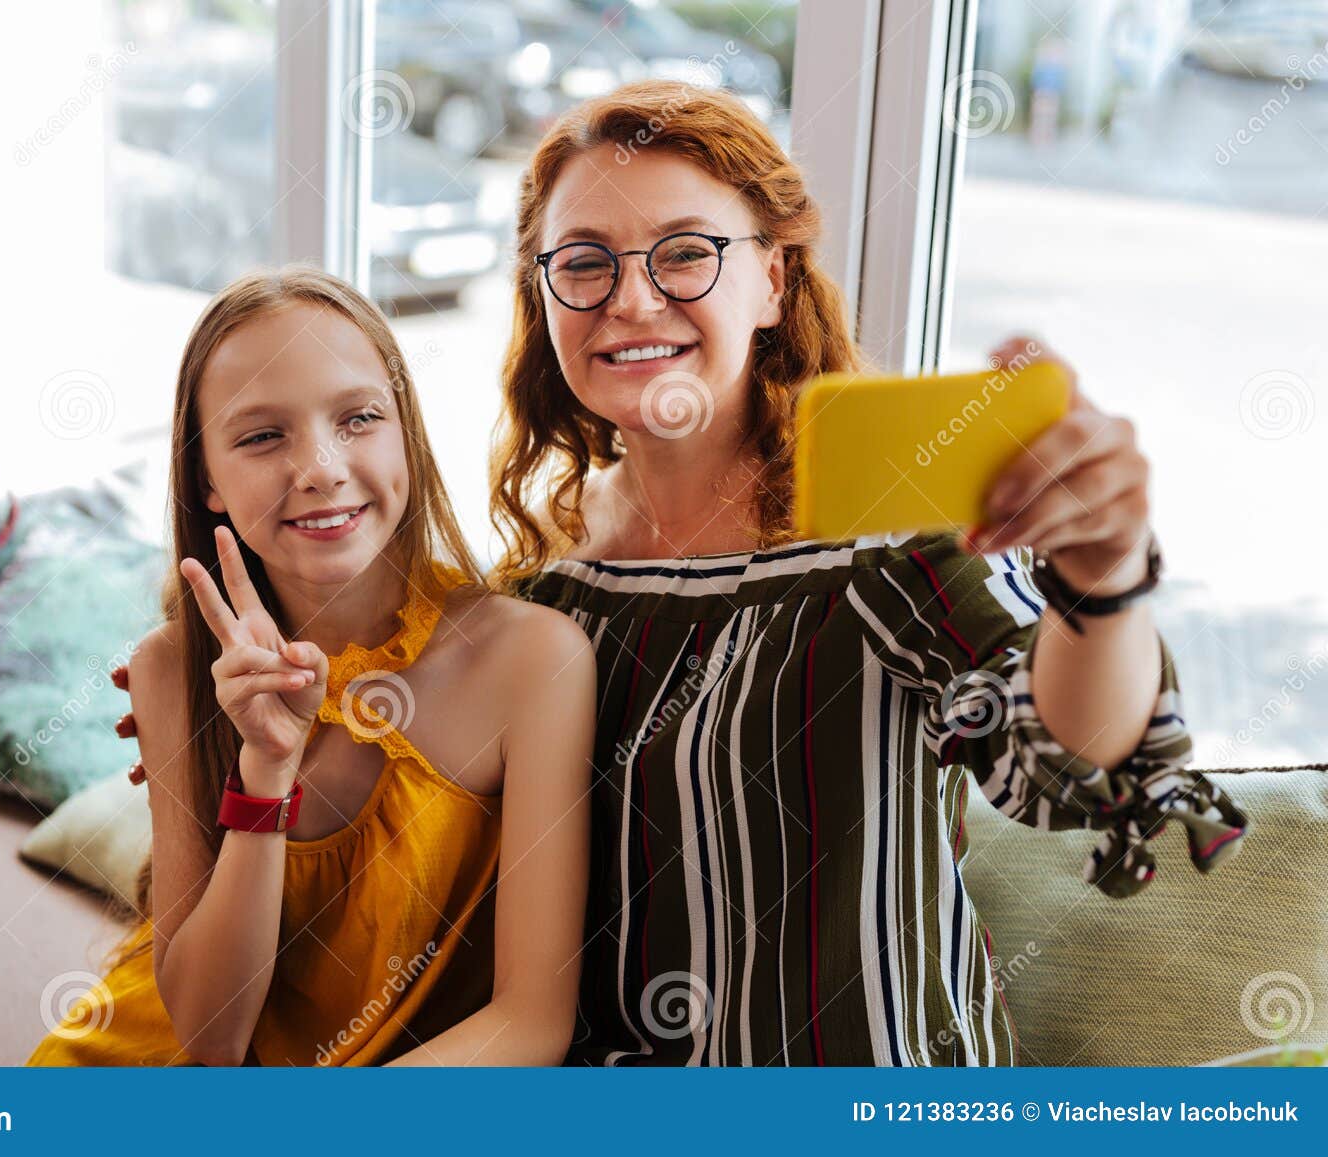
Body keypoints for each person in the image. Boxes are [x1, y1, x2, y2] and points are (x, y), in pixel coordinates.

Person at [487, 80, 1248, 1066]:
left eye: (684, 252)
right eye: (583, 262)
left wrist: (1102, 576)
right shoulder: (540, 588)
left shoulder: (881, 545)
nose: (631, 298)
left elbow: (1074, 766)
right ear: (544, 294)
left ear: (771, 278)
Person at [29, 267, 594, 1066]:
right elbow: (209, 1036)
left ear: (408, 432)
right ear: (208, 481)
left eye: (359, 417)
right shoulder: (172, 667)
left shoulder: (532, 660)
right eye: (262, 436)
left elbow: (533, 1020)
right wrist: (265, 768)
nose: (321, 467)